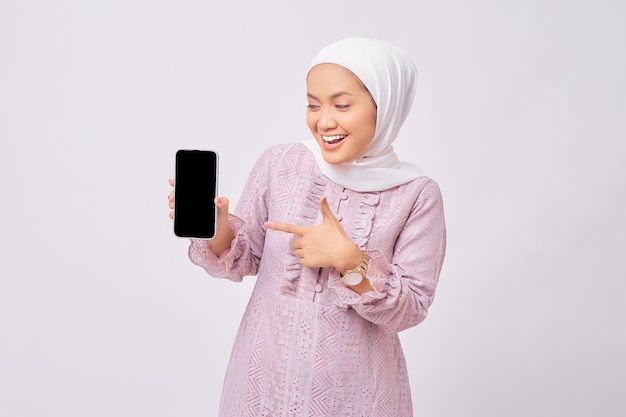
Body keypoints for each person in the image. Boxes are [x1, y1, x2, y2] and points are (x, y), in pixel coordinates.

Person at [168, 37, 446, 417]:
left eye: (342, 105)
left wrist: (350, 260)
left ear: (386, 106)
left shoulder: (416, 195)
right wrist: (218, 228)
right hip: (260, 383)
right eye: (313, 105)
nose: (324, 121)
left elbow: (411, 309)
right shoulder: (280, 163)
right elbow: (242, 259)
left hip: (356, 395)